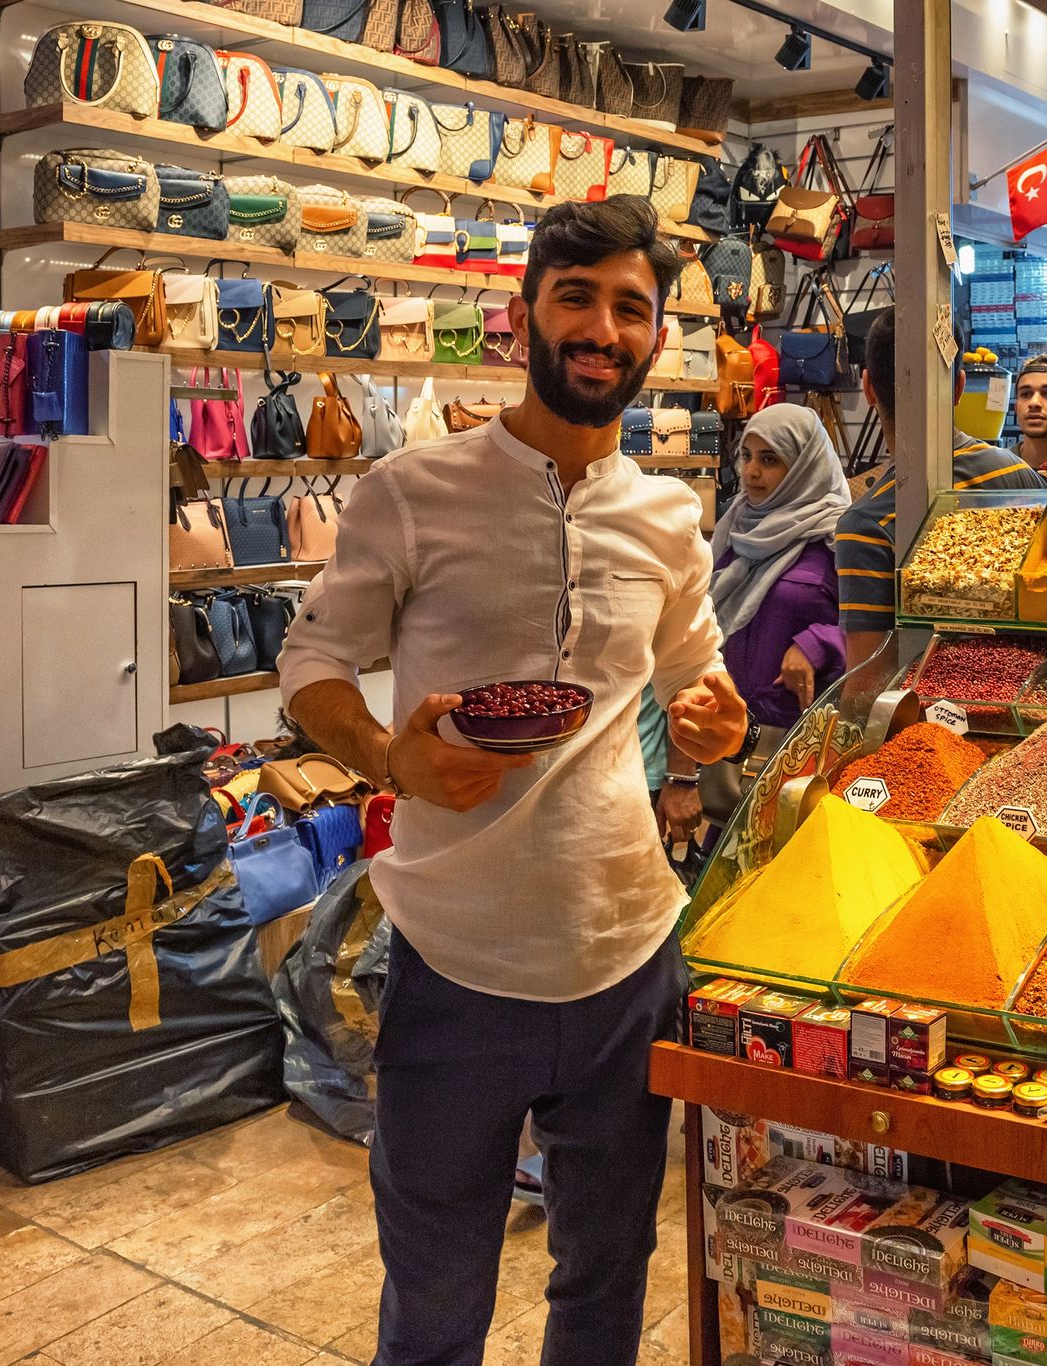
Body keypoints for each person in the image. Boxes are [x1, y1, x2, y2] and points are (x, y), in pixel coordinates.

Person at [277, 196, 750, 1366]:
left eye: (629, 308)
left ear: (653, 337)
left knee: (603, 1279)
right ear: (524, 315)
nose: (602, 328)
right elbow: (310, 662)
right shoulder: (408, 490)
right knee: (435, 1298)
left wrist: (711, 727)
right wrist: (390, 755)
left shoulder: (667, 517)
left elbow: (699, 681)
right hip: (455, 962)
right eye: (576, 298)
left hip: (628, 955)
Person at [660, 405, 851, 844]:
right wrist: (682, 773)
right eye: (746, 456)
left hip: (801, 753)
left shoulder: (838, 534)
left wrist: (818, 642)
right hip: (733, 745)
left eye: (770, 459)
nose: (751, 472)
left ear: (805, 464)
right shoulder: (737, 528)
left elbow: (875, 628)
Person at [836, 307, 1047, 669]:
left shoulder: (865, 525)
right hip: (1033, 697)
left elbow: (869, 676)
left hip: (924, 709)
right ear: (960, 387)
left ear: (868, 387)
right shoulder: (1016, 476)